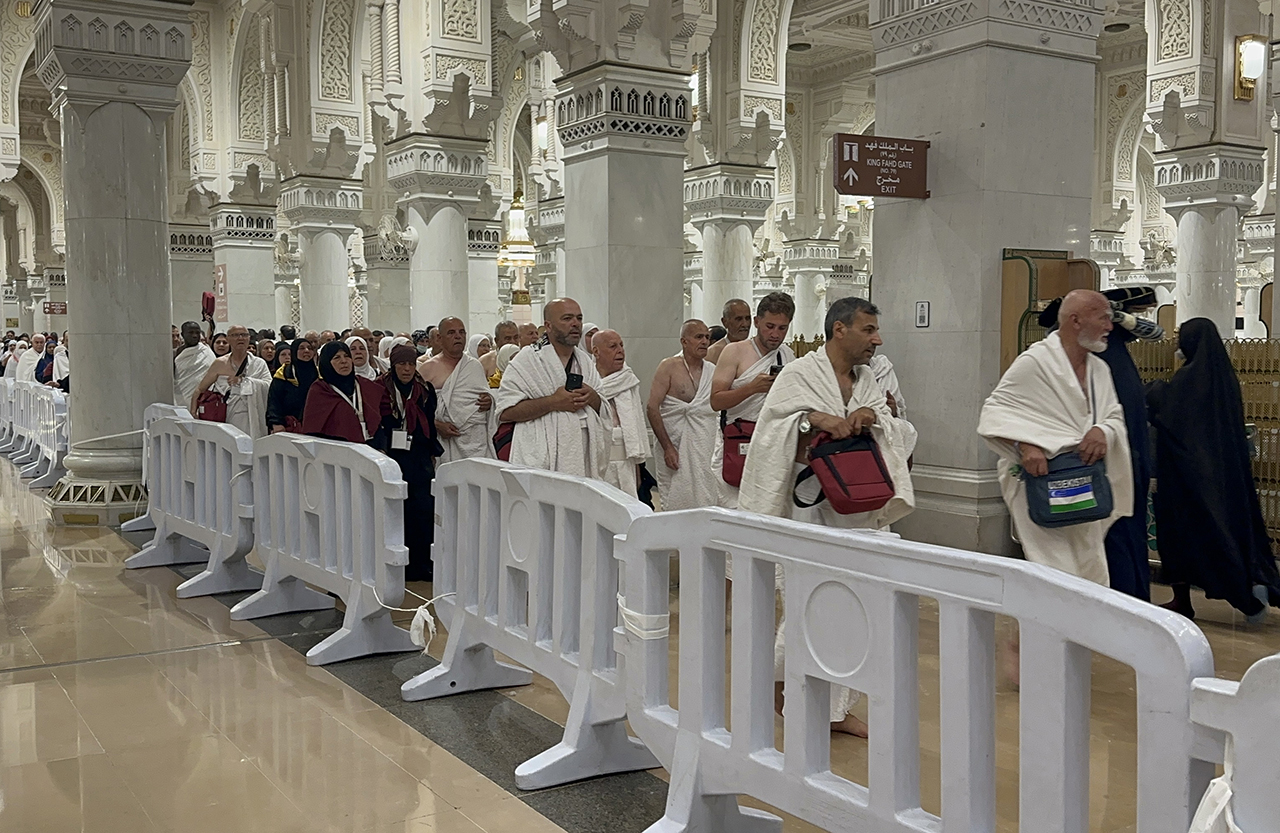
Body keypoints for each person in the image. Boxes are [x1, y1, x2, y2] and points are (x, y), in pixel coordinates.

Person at [740, 296, 916, 737]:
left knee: (858, 604)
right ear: (840, 329)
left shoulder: (867, 379)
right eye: (868, 330)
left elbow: (899, 432)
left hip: (858, 507)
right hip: (809, 508)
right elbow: (770, 433)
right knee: (809, 601)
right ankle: (787, 689)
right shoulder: (799, 374)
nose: (877, 340)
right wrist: (812, 419)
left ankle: (833, 707)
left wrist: (873, 416)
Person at [978, 289, 1132, 585]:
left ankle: (1086, 616)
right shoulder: (1035, 362)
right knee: (1054, 567)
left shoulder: (1099, 369)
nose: (1110, 327)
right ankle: (1052, 615)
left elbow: (1113, 414)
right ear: (1076, 320)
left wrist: (1102, 430)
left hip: (1085, 477)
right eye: (1103, 318)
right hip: (1042, 479)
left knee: (1091, 565)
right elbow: (996, 411)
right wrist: (1026, 444)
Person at [1147, 317, 1280, 622]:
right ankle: (1250, 587)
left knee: (1181, 538)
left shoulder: (1188, 380)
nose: (1177, 343)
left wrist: (1152, 389)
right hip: (1221, 475)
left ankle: (1187, 600)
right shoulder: (1223, 378)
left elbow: (1169, 412)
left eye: (1181, 337)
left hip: (1186, 481)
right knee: (1224, 532)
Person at [1039, 288, 1162, 601]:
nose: (1107, 326)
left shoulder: (1103, 352)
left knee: (1120, 535)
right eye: (1101, 318)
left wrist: (1116, 315)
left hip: (1118, 457)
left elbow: (1155, 333)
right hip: (1090, 465)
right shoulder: (1057, 358)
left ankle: (1126, 604)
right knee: (1105, 541)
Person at [495, 298, 611, 476]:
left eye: (579, 318)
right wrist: (553, 402)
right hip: (541, 459)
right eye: (567, 318)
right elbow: (505, 412)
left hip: (583, 458)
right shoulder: (526, 360)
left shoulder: (585, 361)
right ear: (548, 326)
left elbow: (603, 409)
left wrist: (592, 396)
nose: (575, 324)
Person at [709, 292, 797, 507]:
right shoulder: (734, 352)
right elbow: (716, 401)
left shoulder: (787, 355)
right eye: (770, 326)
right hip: (738, 440)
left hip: (773, 444)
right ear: (757, 322)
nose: (775, 334)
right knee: (734, 509)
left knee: (769, 509)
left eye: (782, 328)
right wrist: (751, 388)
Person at [379, 344, 445, 581]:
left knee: (423, 509)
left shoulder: (424, 389)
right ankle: (399, 564)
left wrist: (432, 451)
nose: (407, 369)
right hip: (392, 457)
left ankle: (423, 563)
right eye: (401, 364)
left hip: (418, 455)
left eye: (410, 364)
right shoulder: (380, 389)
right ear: (393, 365)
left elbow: (430, 420)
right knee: (398, 510)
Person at [648, 320, 720, 510]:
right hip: (674, 444)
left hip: (704, 446)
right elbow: (652, 408)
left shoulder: (712, 370)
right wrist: (668, 448)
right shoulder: (668, 366)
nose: (704, 341)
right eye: (699, 337)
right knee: (674, 498)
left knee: (706, 495)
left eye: (707, 337)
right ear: (684, 341)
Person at [418, 317, 495, 462]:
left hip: (476, 441)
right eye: (451, 332)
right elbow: (416, 409)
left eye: (461, 332)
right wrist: (436, 425)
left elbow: (486, 395)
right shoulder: (427, 369)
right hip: (444, 441)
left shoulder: (474, 366)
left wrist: (489, 401)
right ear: (440, 338)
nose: (458, 336)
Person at [594, 329, 649, 498]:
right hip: (598, 459)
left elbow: (636, 423)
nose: (620, 351)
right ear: (596, 352)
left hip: (626, 459)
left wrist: (637, 465)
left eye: (621, 345)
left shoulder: (628, 379)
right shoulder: (588, 380)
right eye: (613, 346)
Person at [191, 325, 272, 439]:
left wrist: (244, 381)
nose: (240, 338)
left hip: (253, 415)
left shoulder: (259, 363)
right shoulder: (220, 363)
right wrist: (193, 412)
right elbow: (200, 389)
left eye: (244, 335)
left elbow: (269, 386)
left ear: (249, 338)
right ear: (228, 339)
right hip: (228, 415)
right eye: (235, 335)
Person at [302, 341, 388, 444]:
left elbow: (378, 422)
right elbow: (313, 429)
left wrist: (381, 448)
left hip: (370, 447)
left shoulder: (364, 385)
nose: (344, 361)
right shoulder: (321, 390)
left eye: (347, 356)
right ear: (327, 362)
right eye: (336, 357)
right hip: (336, 448)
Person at [267, 337, 318, 433]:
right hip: (289, 426)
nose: (306, 351)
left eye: (309, 348)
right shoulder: (284, 373)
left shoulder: (319, 373)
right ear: (294, 351)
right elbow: (274, 400)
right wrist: (276, 422)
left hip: (315, 425)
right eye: (302, 348)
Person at [173, 322, 215, 407]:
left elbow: (214, 372)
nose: (195, 335)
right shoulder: (177, 352)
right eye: (191, 332)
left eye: (197, 332)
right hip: (181, 395)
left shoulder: (206, 351)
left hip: (202, 398)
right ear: (183, 334)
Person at [706, 298, 753, 364]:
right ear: (725, 322)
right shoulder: (712, 354)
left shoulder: (756, 350)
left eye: (747, 318)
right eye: (739, 319)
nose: (745, 324)